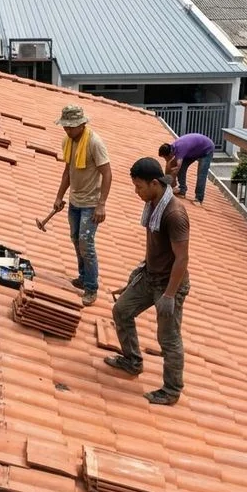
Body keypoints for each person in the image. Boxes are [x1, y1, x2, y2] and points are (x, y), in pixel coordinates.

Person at [104, 157, 191, 406]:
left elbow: (182, 258)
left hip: (169, 284)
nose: (136, 192)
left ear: (154, 184)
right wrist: (138, 273)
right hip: (149, 276)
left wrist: (170, 295)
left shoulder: (174, 214)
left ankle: (172, 390)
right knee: (121, 310)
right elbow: (155, 246)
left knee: (168, 338)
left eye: (139, 187)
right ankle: (132, 361)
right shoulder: (154, 202)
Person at [50, 105, 111, 306]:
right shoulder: (68, 141)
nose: (67, 130)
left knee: (87, 244)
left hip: (91, 204)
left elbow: (107, 174)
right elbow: (67, 171)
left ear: (82, 124)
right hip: (75, 201)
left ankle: (91, 288)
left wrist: (101, 204)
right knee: (76, 239)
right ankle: (83, 277)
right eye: (65, 126)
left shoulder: (94, 143)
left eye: (70, 127)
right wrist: (59, 196)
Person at [158, 132, 215, 204]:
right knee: (181, 168)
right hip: (194, 150)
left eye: (165, 157)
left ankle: (199, 198)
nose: (166, 159)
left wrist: (172, 184)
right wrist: (166, 184)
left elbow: (176, 169)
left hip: (207, 149)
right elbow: (169, 165)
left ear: (170, 154)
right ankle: (182, 190)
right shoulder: (173, 148)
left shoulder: (180, 150)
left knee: (201, 174)